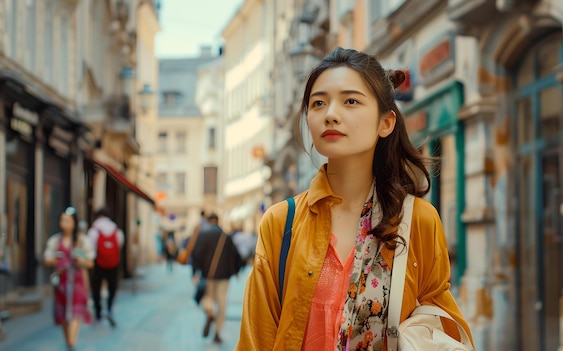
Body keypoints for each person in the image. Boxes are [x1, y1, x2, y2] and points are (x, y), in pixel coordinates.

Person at [236, 47, 474, 350]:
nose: (331, 114)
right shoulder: (282, 222)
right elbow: (255, 341)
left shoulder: (418, 220)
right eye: (318, 103)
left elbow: (441, 327)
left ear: (385, 122)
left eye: (350, 101)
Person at [43, 206, 94, 351]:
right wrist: (53, 259)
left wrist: (81, 261)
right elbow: (47, 259)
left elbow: (90, 262)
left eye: (67, 220)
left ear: (74, 223)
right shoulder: (55, 241)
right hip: (61, 285)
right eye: (62, 220)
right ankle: (69, 345)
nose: (64, 223)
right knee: (64, 317)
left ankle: (71, 344)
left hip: (77, 284)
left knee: (75, 315)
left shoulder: (82, 241)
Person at [190, 213, 244, 344]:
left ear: (209, 222)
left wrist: (195, 272)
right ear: (218, 221)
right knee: (222, 303)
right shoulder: (226, 237)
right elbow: (236, 255)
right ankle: (218, 333)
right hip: (224, 276)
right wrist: (236, 271)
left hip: (208, 275)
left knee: (207, 297)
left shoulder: (203, 236)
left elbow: (195, 254)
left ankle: (209, 311)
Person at [87, 208, 124, 328]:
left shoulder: (94, 230)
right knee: (112, 287)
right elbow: (120, 243)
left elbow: (90, 248)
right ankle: (109, 308)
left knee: (96, 289)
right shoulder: (116, 229)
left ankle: (98, 314)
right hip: (113, 263)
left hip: (98, 263)